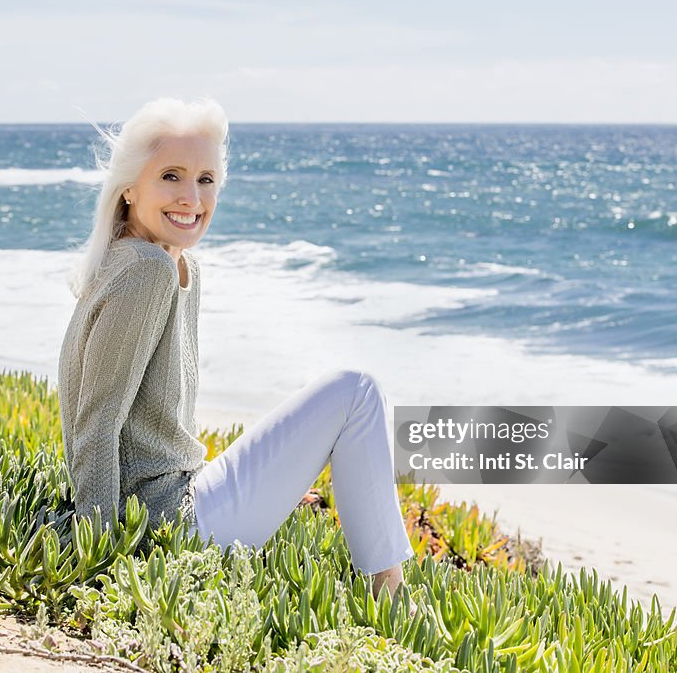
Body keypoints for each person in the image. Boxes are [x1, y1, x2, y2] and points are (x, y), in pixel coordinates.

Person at [58, 97, 413, 601]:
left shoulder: (173, 265)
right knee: (356, 391)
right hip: (170, 527)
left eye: (205, 179)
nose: (191, 198)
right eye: (171, 176)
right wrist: (99, 562)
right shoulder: (146, 271)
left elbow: (149, 434)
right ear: (130, 188)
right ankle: (393, 598)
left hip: (185, 493)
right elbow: (96, 423)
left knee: (348, 397)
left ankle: (387, 588)